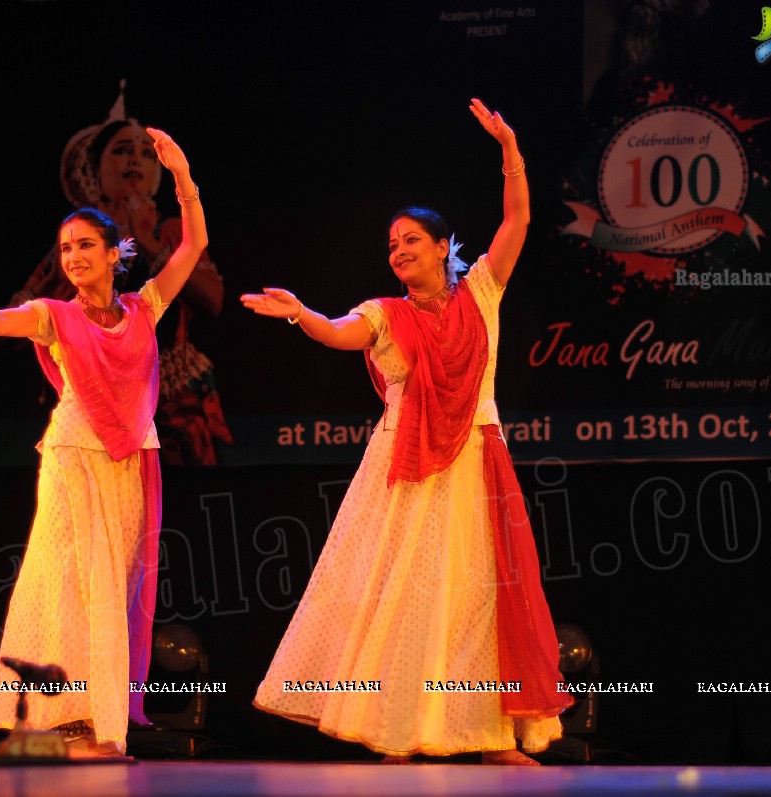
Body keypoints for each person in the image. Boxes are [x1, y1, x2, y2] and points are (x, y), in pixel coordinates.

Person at [243, 99, 572, 765]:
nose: (398, 251)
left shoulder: (481, 292)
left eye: (411, 240)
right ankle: (395, 730)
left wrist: (509, 148)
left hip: (477, 457)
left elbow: (519, 219)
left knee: (478, 602)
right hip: (407, 465)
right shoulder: (385, 312)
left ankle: (488, 737)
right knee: (403, 599)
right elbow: (340, 332)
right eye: (391, 245)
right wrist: (299, 313)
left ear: (444, 244)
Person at [0, 128, 207, 758]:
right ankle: (66, 721)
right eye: (65, 248)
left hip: (130, 460)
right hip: (73, 458)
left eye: (86, 245)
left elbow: (195, 245)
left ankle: (98, 721)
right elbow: (9, 318)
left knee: (116, 586)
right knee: (67, 582)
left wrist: (184, 178)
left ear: (116, 253)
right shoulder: (57, 315)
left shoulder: (145, 308)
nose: (74, 256)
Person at [0, 83, 231, 465]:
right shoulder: (70, 250)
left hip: (172, 397)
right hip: (91, 415)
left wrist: (153, 232)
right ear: (95, 168)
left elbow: (212, 299)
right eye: (121, 151)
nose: (135, 161)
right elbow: (3, 341)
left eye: (144, 154)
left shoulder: (167, 233)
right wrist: (8, 304)